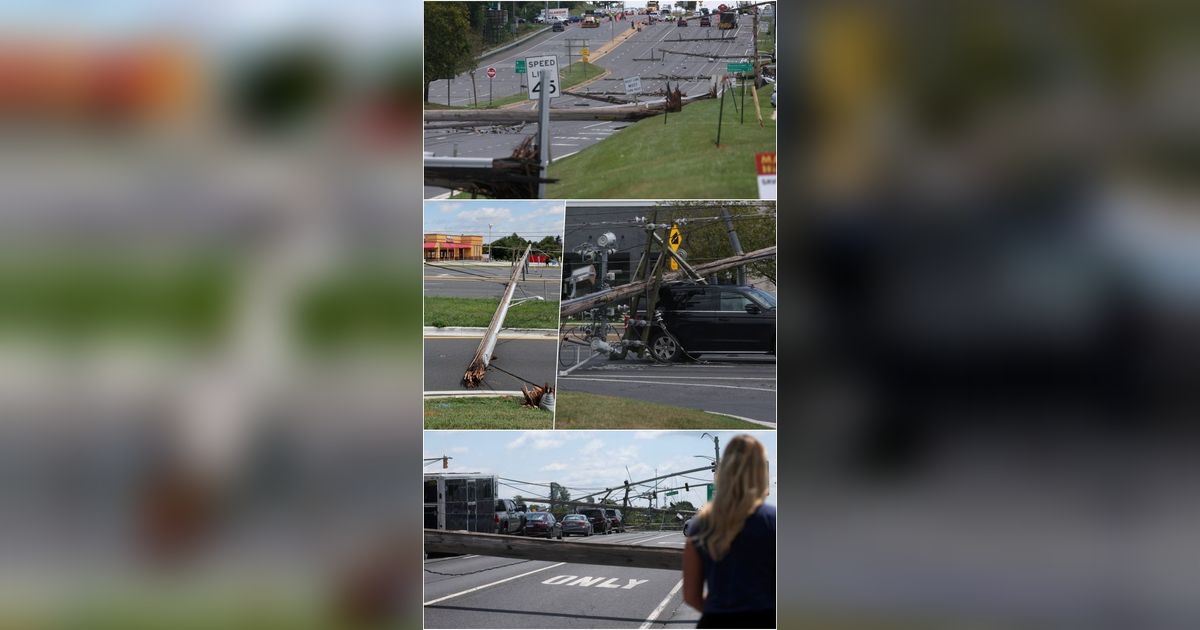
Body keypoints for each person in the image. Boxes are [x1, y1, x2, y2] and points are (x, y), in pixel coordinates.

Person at [682, 434, 776, 628]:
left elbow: (691, 595)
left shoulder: (701, 524)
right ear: (760, 473)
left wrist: (720, 610)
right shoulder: (773, 521)